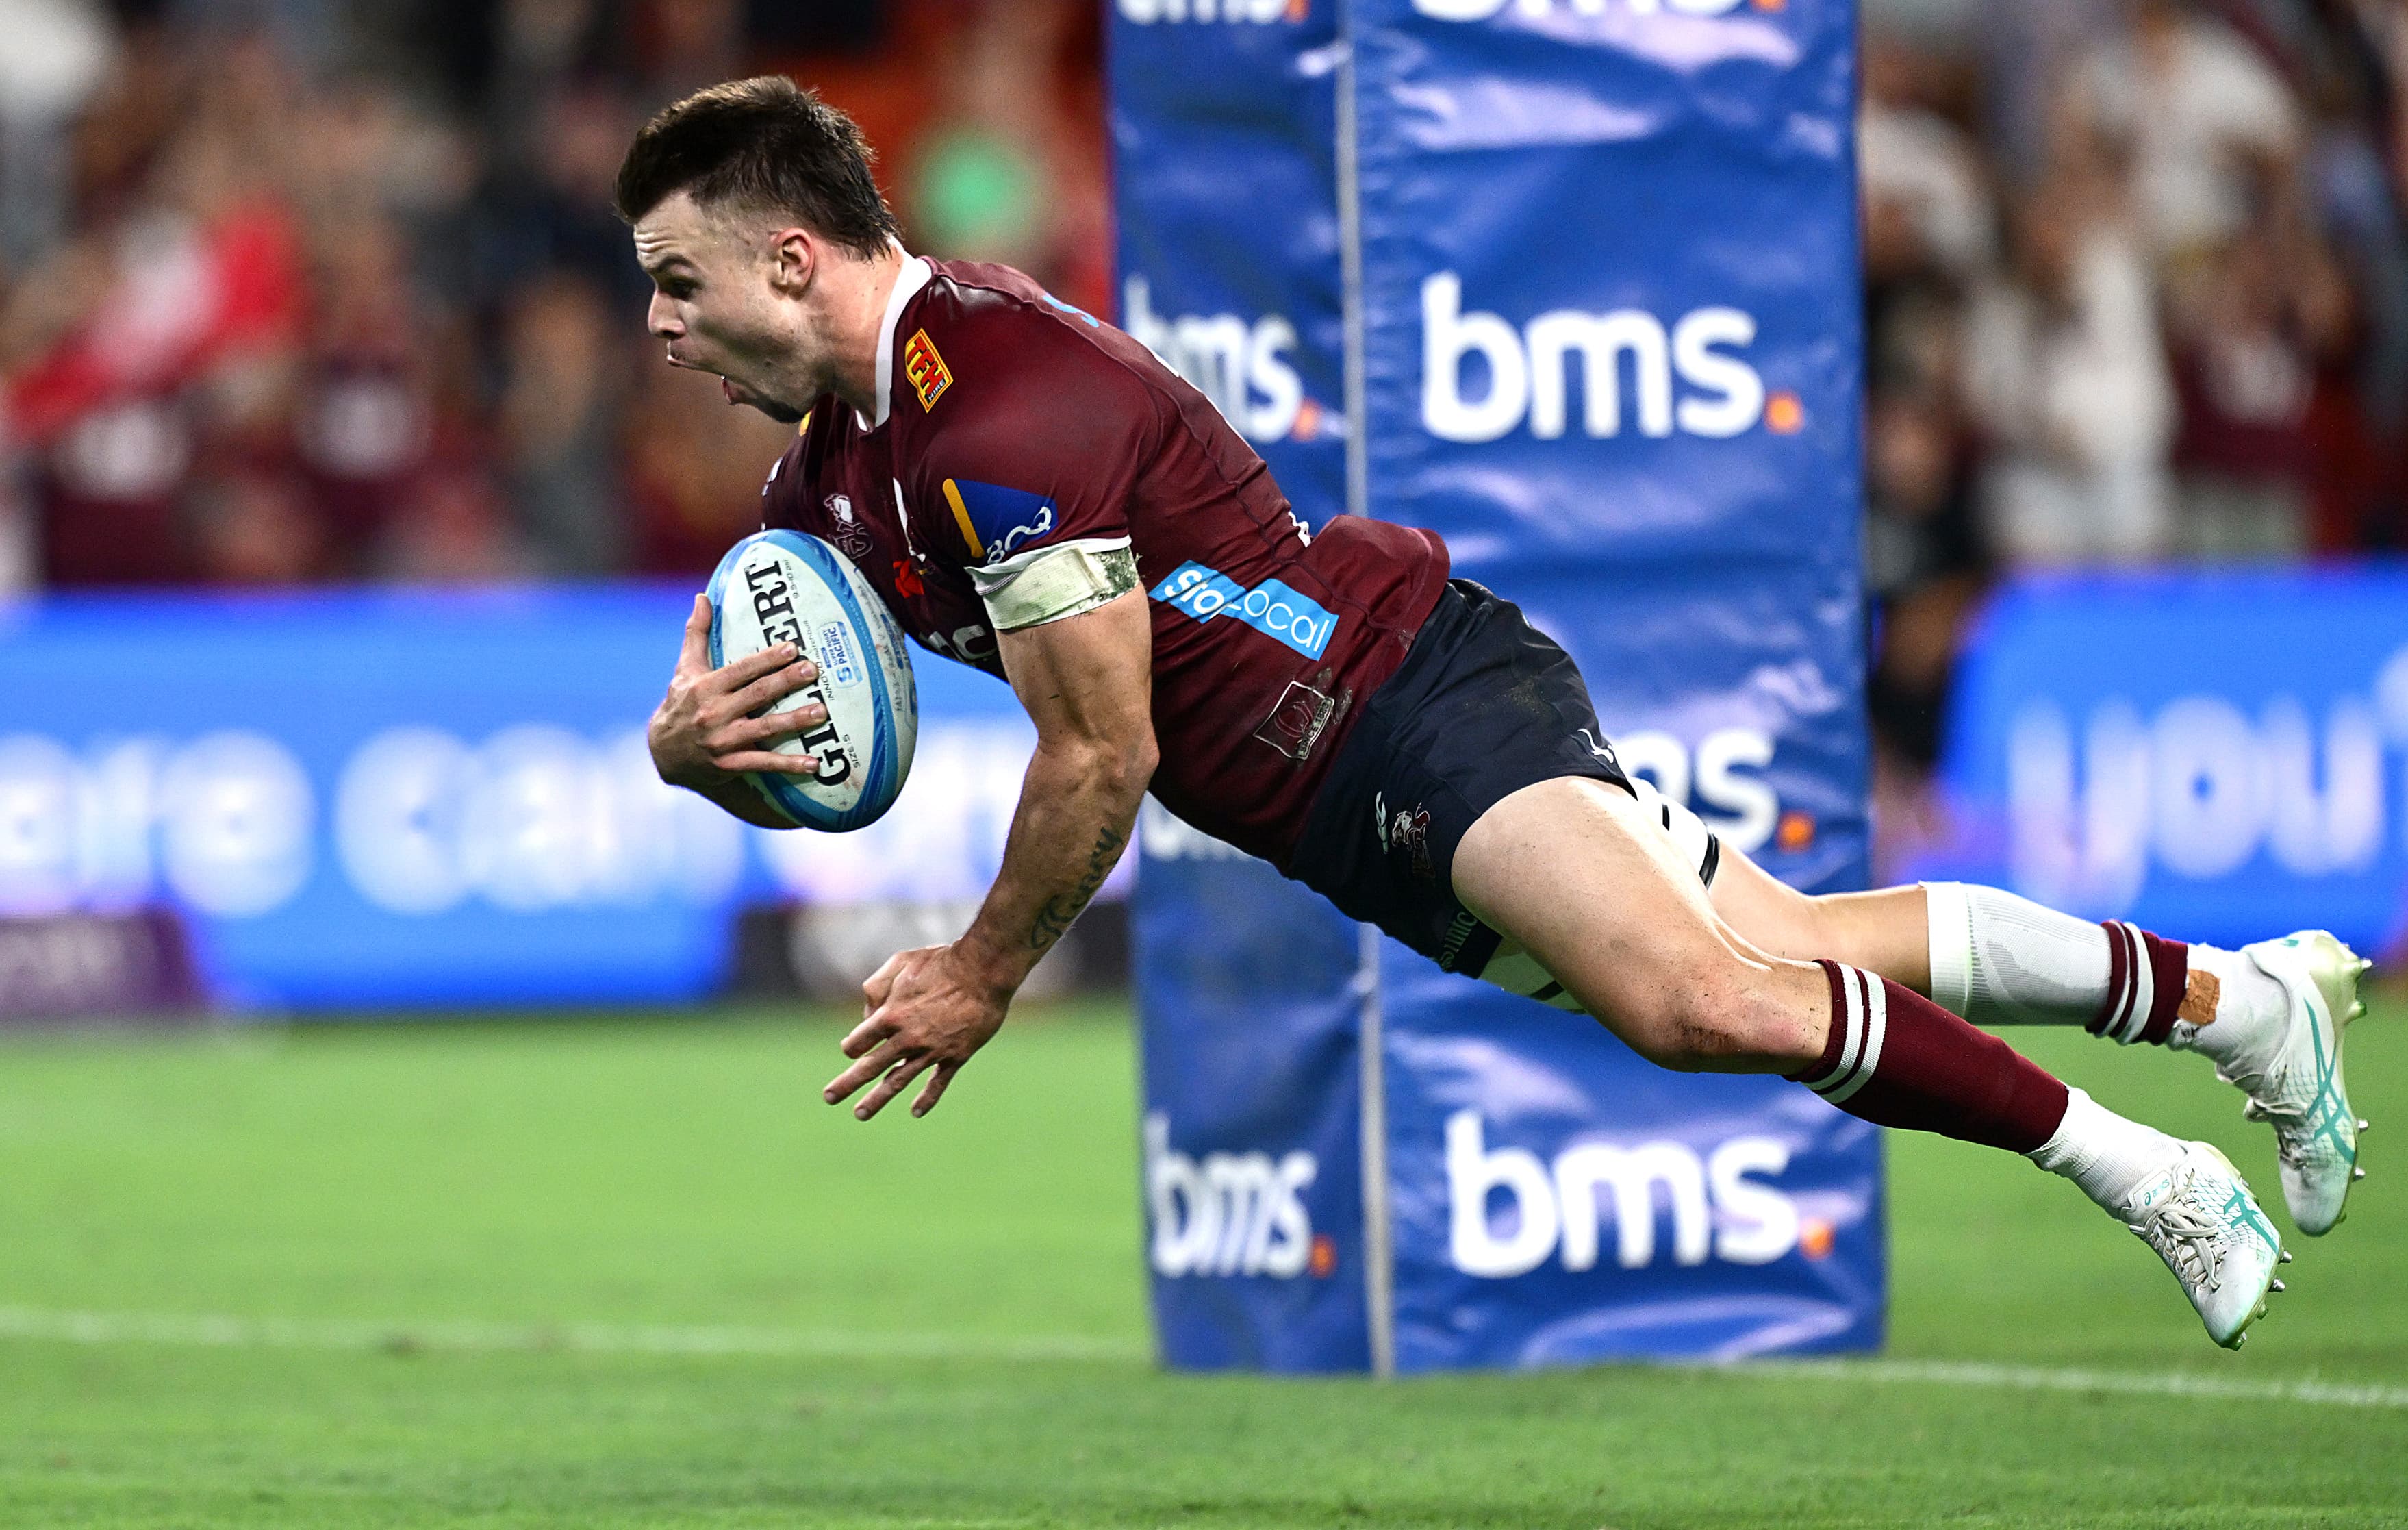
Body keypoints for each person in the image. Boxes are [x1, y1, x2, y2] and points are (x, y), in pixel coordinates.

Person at [616, 78, 2368, 1350]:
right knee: (1802, 943)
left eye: (678, 280)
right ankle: (2239, 1002)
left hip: (1398, 701)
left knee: (1699, 1005)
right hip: (1344, 794)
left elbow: (1105, 754)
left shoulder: (994, 403)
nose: (659, 322)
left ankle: (2140, 1171)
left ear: (789, 259)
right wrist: (689, 758)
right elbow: (782, 715)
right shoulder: (834, 474)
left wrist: (983, 969)